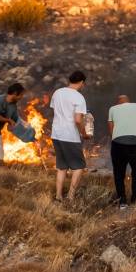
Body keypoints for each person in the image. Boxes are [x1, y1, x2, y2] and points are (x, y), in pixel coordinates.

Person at [49, 71, 91, 202]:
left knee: (62, 167)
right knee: (79, 167)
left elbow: (55, 111)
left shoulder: (57, 93)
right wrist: (84, 133)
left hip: (56, 134)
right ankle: (71, 197)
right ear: (82, 82)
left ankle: (58, 196)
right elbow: (78, 120)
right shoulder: (79, 97)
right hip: (70, 136)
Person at [0, 82, 25, 161]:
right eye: (21, 95)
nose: (21, 97)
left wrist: (25, 128)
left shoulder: (13, 106)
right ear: (15, 93)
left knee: (0, 157)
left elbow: (15, 120)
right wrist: (8, 120)